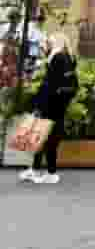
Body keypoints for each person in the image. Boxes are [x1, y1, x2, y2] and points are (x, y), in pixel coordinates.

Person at [19, 32, 78, 185]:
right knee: (44, 138)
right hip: (55, 104)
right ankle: (38, 170)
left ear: (57, 43)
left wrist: (39, 104)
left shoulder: (59, 57)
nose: (46, 45)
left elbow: (50, 84)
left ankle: (48, 172)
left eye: (49, 42)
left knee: (45, 138)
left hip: (50, 104)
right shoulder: (64, 57)